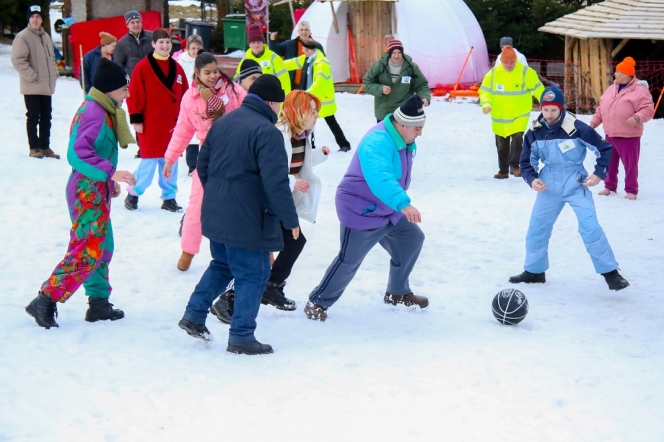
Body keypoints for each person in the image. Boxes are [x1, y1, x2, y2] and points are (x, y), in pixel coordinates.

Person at [178, 75, 299, 355]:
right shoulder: (267, 132)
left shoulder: (223, 122)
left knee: (222, 264)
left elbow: (202, 164)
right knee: (254, 274)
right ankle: (242, 336)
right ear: (271, 101)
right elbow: (276, 182)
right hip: (248, 219)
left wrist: (220, 196)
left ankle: (194, 315)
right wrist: (289, 220)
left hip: (217, 212)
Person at [25, 59, 137, 329]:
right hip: (85, 191)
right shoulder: (93, 112)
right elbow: (77, 153)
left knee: (103, 245)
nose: (128, 94)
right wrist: (110, 172)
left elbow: (95, 150)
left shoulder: (103, 108)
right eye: (124, 89)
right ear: (110, 90)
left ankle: (98, 303)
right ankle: (45, 299)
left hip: (95, 188)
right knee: (87, 249)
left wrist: (108, 182)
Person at [304, 95, 428, 321]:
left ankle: (397, 292)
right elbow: (380, 178)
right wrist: (404, 204)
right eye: (417, 128)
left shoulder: (403, 140)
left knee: (412, 239)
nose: (420, 133)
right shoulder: (378, 142)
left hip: (387, 209)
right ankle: (317, 302)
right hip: (362, 210)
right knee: (349, 261)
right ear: (402, 125)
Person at [210, 90, 330, 323]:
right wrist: (294, 181)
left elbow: (302, 159)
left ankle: (271, 287)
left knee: (292, 243)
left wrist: (320, 155)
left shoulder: (305, 133)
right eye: (312, 112)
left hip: (281, 201)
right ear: (298, 111)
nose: (316, 116)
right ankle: (228, 300)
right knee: (260, 256)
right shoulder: (277, 133)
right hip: (264, 201)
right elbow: (268, 171)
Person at [509, 87, 629, 291]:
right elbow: (526, 162)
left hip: (576, 185)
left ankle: (611, 273)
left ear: (561, 109)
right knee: (537, 229)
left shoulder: (577, 128)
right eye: (545, 110)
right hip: (548, 187)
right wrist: (532, 179)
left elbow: (605, 149)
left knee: (590, 228)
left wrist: (599, 173)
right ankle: (534, 271)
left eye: (553, 110)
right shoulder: (535, 131)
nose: (549, 115)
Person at [163, 53, 247, 271]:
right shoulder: (190, 99)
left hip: (235, 153)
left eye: (215, 71)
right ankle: (188, 251)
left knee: (245, 205)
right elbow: (182, 130)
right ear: (197, 73)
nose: (212, 76)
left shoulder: (233, 90)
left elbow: (252, 113)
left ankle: (263, 253)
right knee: (197, 205)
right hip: (208, 156)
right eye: (207, 72)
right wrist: (170, 158)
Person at [124, 29, 189, 212]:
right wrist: (136, 117)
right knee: (149, 162)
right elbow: (134, 93)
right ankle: (133, 193)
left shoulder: (177, 68)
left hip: (172, 123)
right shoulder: (143, 67)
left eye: (167, 42)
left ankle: (169, 197)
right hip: (150, 123)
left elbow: (185, 94)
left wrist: (187, 116)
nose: (164, 46)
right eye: (160, 42)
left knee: (171, 161)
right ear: (153, 44)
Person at [590, 57, 655, 200]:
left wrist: (637, 117)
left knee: (630, 165)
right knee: (609, 163)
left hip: (629, 136)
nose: (615, 74)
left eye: (618, 71)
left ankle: (631, 190)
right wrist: (594, 123)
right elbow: (602, 108)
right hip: (610, 134)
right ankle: (609, 186)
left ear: (626, 74)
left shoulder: (640, 91)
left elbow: (648, 110)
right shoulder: (611, 89)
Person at [479, 45, 544, 179]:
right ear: (501, 61)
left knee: (517, 139)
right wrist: (486, 104)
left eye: (512, 62)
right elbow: (484, 91)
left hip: (519, 114)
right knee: (501, 145)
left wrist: (546, 102)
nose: (509, 65)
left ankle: (515, 166)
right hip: (499, 116)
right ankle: (503, 170)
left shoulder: (526, 72)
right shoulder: (493, 74)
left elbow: (538, 89)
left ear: (516, 60)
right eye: (506, 62)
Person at [11, 5, 60, 159]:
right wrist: (33, 76)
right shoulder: (23, 37)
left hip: (46, 85)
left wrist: (54, 72)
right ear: (28, 19)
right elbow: (18, 60)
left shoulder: (45, 37)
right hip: (32, 85)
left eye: (38, 16)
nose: (35, 19)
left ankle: (45, 146)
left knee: (47, 117)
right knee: (33, 117)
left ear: (42, 20)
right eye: (32, 16)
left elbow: (51, 58)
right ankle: (34, 147)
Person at [285, 38, 351, 152]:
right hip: (311, 97)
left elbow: (318, 82)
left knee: (330, 122)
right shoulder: (307, 59)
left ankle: (344, 145)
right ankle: (308, 145)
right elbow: (292, 63)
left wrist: (306, 93)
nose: (302, 51)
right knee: (306, 122)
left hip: (322, 99)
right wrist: (276, 64)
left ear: (309, 50)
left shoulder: (322, 62)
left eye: (303, 50)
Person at [363, 40, 431, 124]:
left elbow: (421, 84)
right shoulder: (379, 66)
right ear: (389, 53)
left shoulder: (411, 67)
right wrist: (380, 89)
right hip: (384, 111)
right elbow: (367, 83)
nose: (396, 55)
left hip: (404, 111)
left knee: (403, 136)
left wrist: (425, 96)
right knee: (385, 136)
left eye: (399, 52)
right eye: (394, 53)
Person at [174, 34, 205, 175]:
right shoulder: (181, 62)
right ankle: (192, 164)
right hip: (187, 99)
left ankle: (204, 163)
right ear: (187, 49)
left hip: (203, 99)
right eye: (193, 48)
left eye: (198, 48)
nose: (195, 51)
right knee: (190, 131)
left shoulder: (205, 60)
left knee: (203, 130)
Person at [236, 23, 294, 95]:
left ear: (263, 42)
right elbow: (237, 83)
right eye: (253, 42)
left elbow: (285, 82)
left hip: (271, 100)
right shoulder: (245, 61)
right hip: (251, 100)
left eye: (258, 42)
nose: (256, 45)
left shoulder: (274, 58)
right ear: (249, 44)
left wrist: (284, 103)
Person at [268, 20, 324, 90]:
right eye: (301, 30)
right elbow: (275, 52)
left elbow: (322, 64)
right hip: (293, 84)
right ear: (298, 31)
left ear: (309, 31)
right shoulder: (289, 45)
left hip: (310, 85)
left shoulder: (317, 46)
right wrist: (272, 41)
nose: (304, 32)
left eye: (306, 30)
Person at [114, 10, 153, 78]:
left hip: (151, 78)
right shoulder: (122, 43)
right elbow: (118, 65)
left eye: (138, 22)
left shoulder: (152, 37)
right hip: (133, 81)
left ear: (141, 23)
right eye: (132, 22)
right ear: (127, 25)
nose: (136, 25)